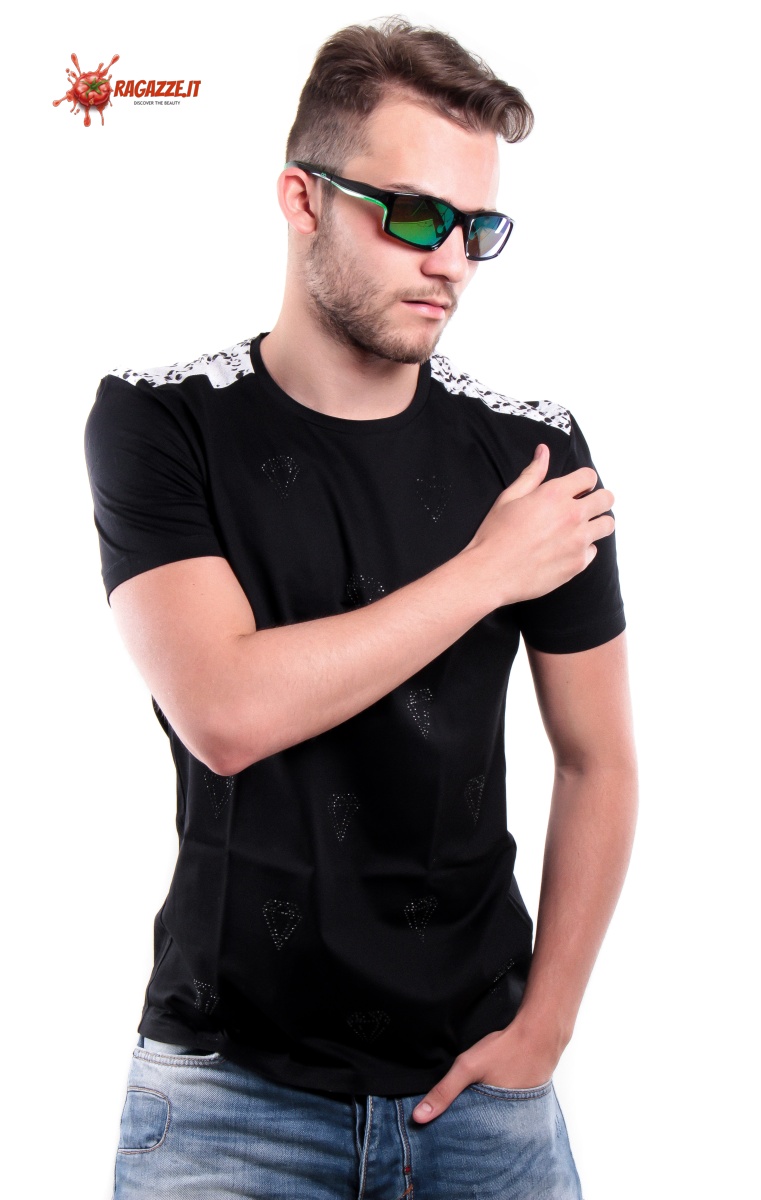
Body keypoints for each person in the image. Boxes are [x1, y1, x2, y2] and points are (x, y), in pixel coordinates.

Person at [85, 17, 637, 1200]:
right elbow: (224, 711)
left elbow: (599, 759)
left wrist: (545, 1031)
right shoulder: (162, 420)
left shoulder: (531, 452)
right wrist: (486, 570)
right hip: (230, 1096)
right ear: (303, 199)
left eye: (477, 227)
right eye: (415, 216)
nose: (452, 262)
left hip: (480, 1095)